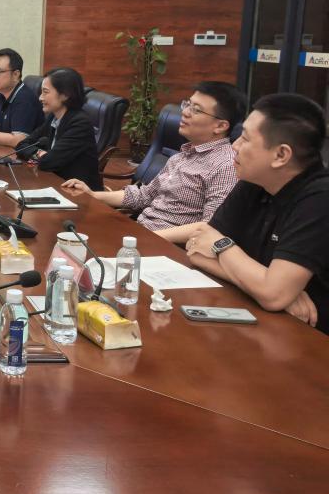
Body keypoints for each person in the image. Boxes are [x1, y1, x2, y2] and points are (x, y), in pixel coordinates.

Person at [184, 93, 329, 334]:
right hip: (264, 320)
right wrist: (264, 286)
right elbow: (196, 249)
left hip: (310, 339)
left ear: (281, 155)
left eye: (245, 138)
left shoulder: (319, 200)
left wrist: (221, 245)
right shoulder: (256, 179)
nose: (234, 146)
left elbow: (273, 294)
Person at [62, 81, 245, 241]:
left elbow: (209, 227)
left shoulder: (226, 165)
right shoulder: (181, 156)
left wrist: (149, 238)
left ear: (220, 126)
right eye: (187, 104)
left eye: (196, 110)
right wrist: (92, 195)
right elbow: (144, 196)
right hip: (139, 232)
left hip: (167, 247)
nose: (185, 112)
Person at [20, 67, 102, 190]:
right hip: (56, 183)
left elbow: (48, 162)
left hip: (80, 192)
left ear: (65, 95)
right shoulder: (53, 117)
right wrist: (40, 153)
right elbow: (22, 145)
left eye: (45, 92)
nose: (40, 98)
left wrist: (42, 157)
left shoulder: (80, 124)